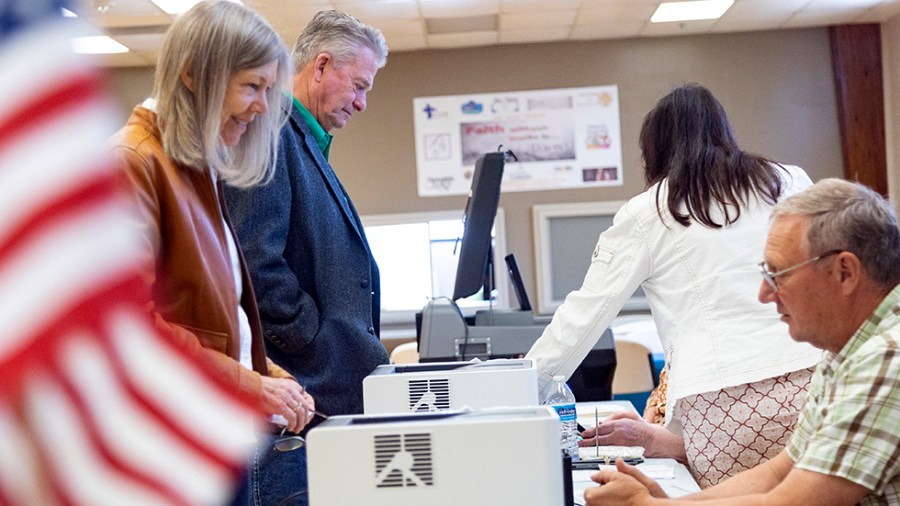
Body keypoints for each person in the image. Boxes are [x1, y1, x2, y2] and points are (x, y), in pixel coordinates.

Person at [525, 84, 821, 486]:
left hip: (722, 408)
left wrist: (513, 393)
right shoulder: (787, 180)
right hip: (817, 384)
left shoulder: (648, 211)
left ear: (656, 149)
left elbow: (581, 318)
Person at [586, 178, 900, 505]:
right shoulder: (846, 350)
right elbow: (779, 473)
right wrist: (668, 503)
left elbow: (798, 501)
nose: (764, 294)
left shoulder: (887, 357)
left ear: (845, 272)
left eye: (778, 274)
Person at [109, 0, 315, 493]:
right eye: (251, 87)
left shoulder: (194, 164)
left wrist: (269, 374)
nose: (264, 107)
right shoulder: (133, 162)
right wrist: (251, 385)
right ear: (195, 75)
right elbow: (131, 327)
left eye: (267, 89)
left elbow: (210, 315)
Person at [222, 9, 390, 505]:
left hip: (319, 398)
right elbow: (256, 260)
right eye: (358, 85)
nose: (361, 103)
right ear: (320, 67)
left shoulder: (306, 138)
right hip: (299, 393)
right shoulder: (271, 132)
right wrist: (311, 339)